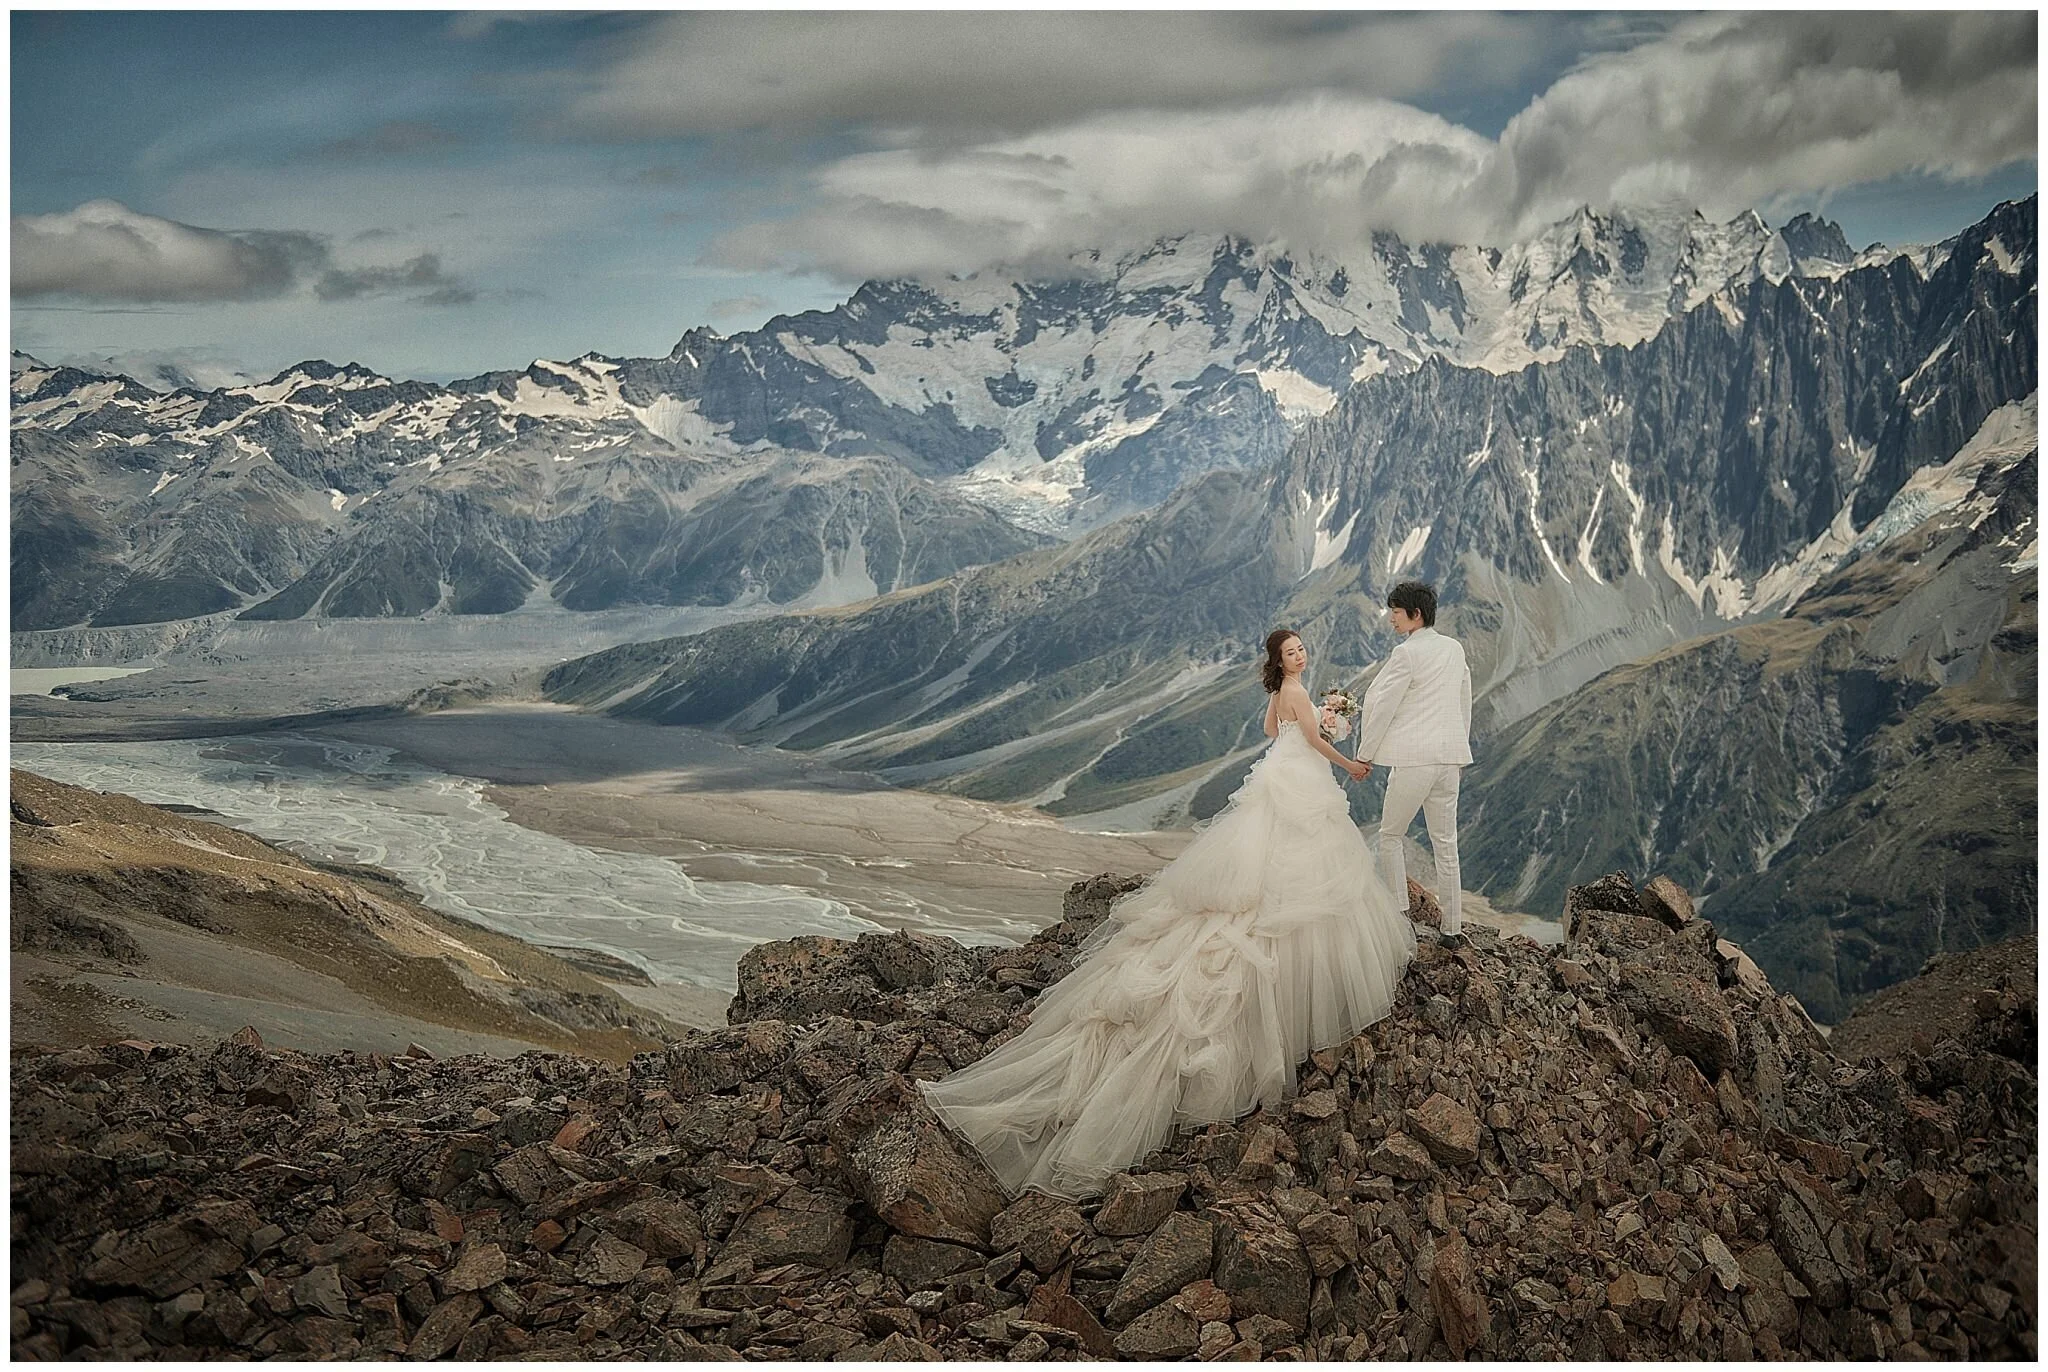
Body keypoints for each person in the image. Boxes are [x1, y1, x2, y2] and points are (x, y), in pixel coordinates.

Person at [918, 629, 1417, 1199]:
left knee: (1256, 881)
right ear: (1280, 662)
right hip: (1303, 785)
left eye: (1301, 648)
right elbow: (1307, 737)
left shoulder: (1282, 692)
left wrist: (1316, 723)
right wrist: (1347, 760)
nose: (1300, 656)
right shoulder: (1300, 694)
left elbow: (1268, 732)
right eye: (1291, 653)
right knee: (1301, 884)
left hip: (1280, 780)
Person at [1349, 580, 1474, 948]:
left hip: (1416, 760)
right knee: (1446, 844)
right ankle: (1452, 929)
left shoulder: (1406, 654)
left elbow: (1383, 703)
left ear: (1415, 615)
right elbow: (1464, 699)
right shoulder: (1455, 649)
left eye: (1396, 612)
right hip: (1449, 759)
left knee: (1390, 836)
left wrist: (1365, 753)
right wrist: (1458, 743)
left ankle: (1400, 919)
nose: (1391, 619)